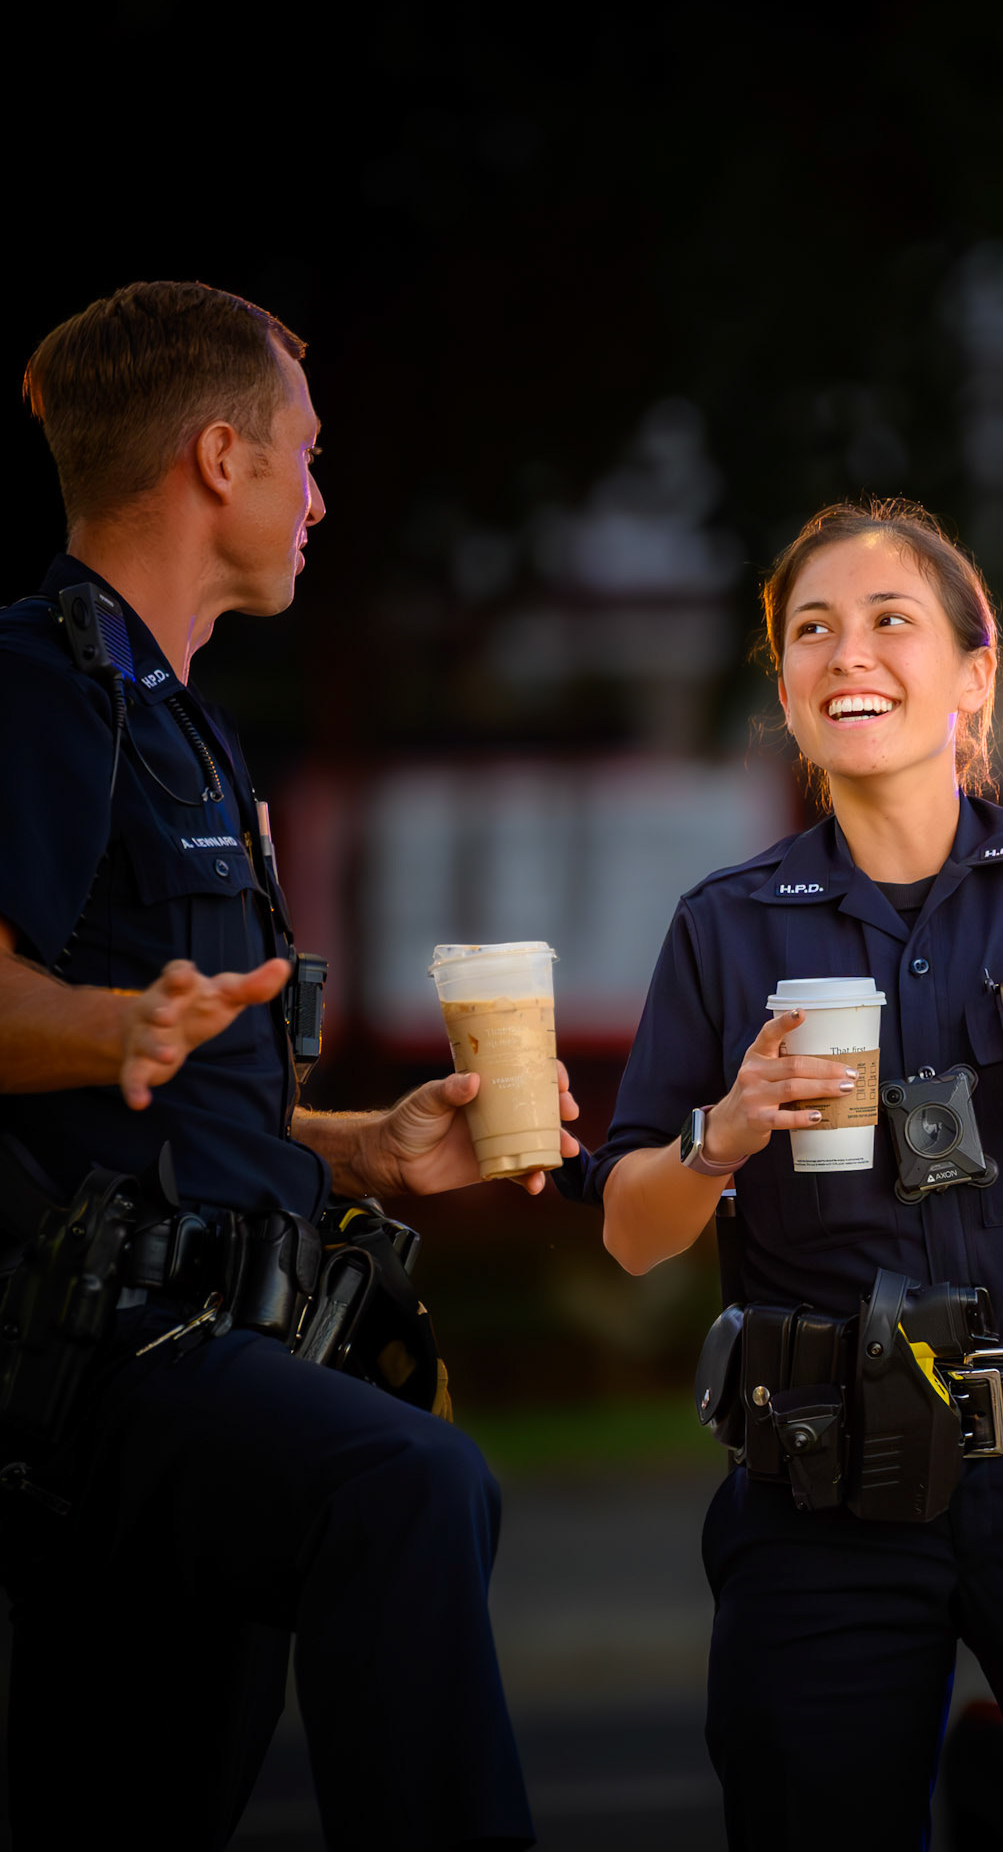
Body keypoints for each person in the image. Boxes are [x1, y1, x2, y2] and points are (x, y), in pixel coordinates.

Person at [556, 498, 1003, 1850]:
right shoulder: (722, 927)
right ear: (781, 690)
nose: (849, 656)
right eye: (812, 632)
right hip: (825, 1484)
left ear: (974, 671)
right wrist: (723, 1132)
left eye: (890, 621)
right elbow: (629, 1234)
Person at [0, 281, 577, 1851]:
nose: (320, 499)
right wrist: (114, 1024)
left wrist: (362, 1149)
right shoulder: (45, 684)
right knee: (408, 1490)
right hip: (114, 1372)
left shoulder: (185, 720)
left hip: (226, 1353)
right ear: (216, 460)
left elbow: (189, 1112)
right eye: (304, 458)